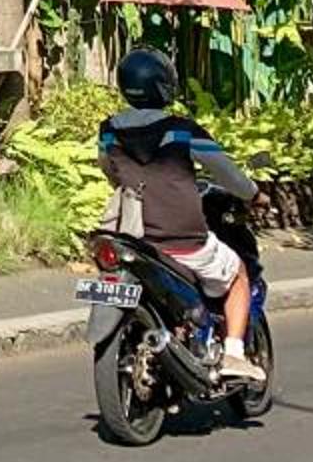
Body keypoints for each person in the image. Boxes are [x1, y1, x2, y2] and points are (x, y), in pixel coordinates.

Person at [98, 47, 268, 385]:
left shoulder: (109, 131)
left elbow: (110, 169)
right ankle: (234, 355)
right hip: (181, 238)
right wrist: (254, 195)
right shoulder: (182, 130)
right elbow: (227, 173)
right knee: (237, 275)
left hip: (132, 238)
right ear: (165, 86)